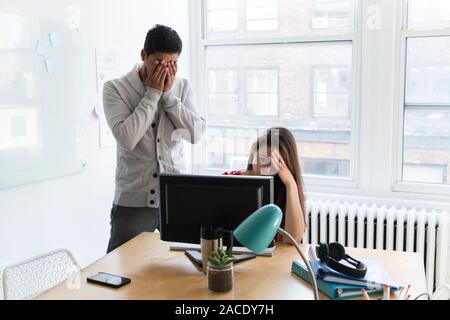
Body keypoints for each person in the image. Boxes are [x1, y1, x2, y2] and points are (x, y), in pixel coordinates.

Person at [103, 25, 205, 252]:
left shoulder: (183, 87)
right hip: (133, 201)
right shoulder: (116, 89)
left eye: (172, 64)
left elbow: (196, 134)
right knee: (122, 270)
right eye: (159, 63)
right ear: (143, 55)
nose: (166, 71)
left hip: (175, 197)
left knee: (182, 266)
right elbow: (127, 139)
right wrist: (152, 94)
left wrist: (168, 98)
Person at [224, 127, 306, 243]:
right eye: (263, 158)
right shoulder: (229, 179)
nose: (265, 167)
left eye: (275, 162)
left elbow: (292, 240)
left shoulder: (284, 189)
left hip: (272, 259)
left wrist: (290, 184)